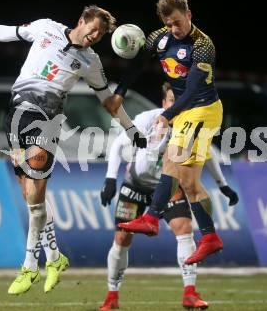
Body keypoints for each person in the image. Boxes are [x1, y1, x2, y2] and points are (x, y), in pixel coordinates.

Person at [0, 5, 147, 295]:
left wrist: (131, 129)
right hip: (16, 115)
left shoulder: (90, 61)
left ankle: (29, 265)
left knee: (34, 194)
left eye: (101, 35)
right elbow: (9, 33)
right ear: (81, 21)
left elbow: (109, 102)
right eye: (94, 30)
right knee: (31, 197)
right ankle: (54, 258)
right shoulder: (45, 27)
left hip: (47, 122)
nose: (95, 36)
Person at [99, 83, 238, 310]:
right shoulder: (149, 118)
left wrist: (223, 185)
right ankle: (112, 296)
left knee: (184, 229)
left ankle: (190, 293)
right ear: (164, 103)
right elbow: (118, 144)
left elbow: (207, 152)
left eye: (180, 100)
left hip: (168, 187)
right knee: (122, 239)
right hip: (136, 184)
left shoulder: (189, 123)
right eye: (172, 100)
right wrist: (110, 179)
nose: (176, 105)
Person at [113, 0, 229, 265]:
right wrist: (119, 91)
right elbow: (139, 61)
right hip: (188, 113)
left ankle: (152, 218)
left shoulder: (202, 46)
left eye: (178, 22)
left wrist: (166, 115)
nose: (174, 29)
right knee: (188, 182)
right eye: (169, 24)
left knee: (170, 158)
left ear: (189, 15)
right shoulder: (161, 37)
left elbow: (191, 91)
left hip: (202, 109)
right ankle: (210, 237)